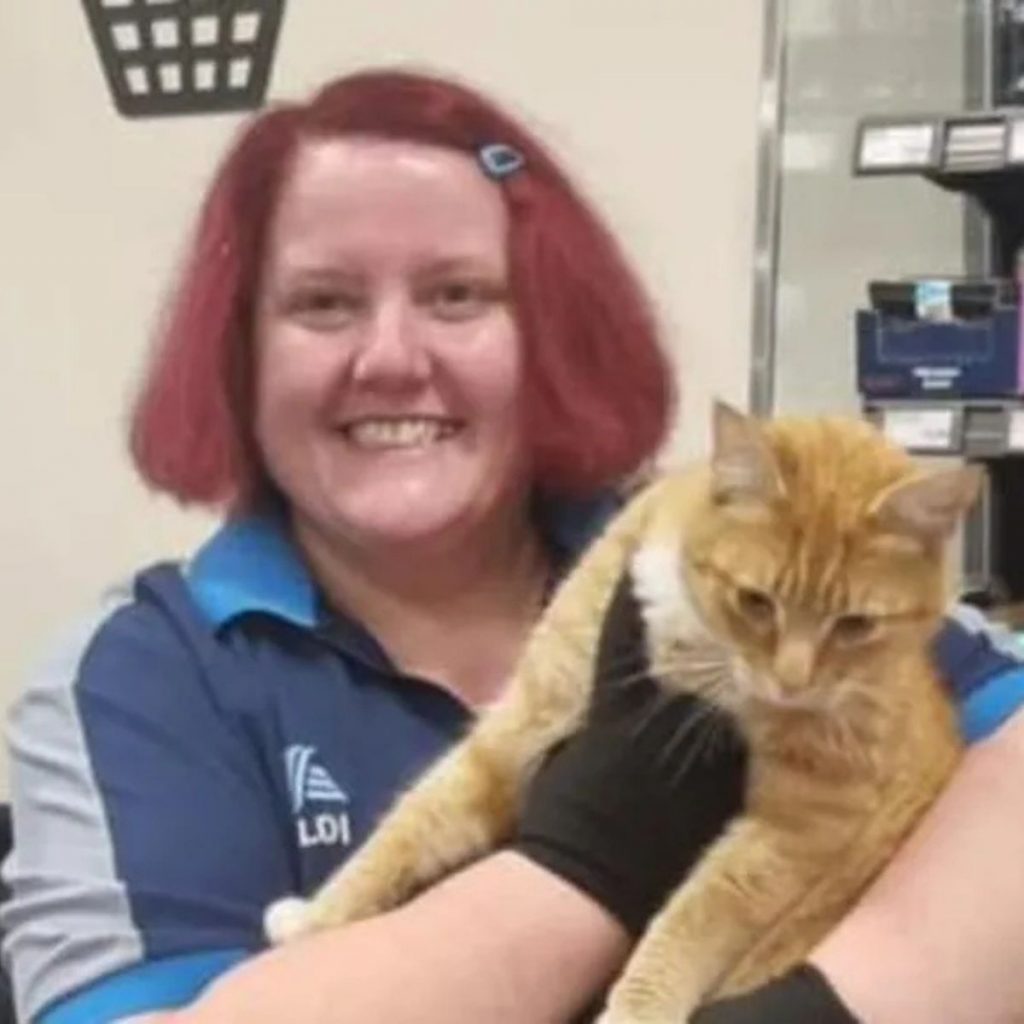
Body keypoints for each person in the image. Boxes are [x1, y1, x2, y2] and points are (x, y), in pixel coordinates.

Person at [2, 68, 1024, 1024]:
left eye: (457, 295)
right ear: (239, 352)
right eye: (322, 302)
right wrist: (592, 860)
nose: (392, 358)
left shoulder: (731, 560)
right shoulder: (140, 683)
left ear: (552, 336)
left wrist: (809, 1005)